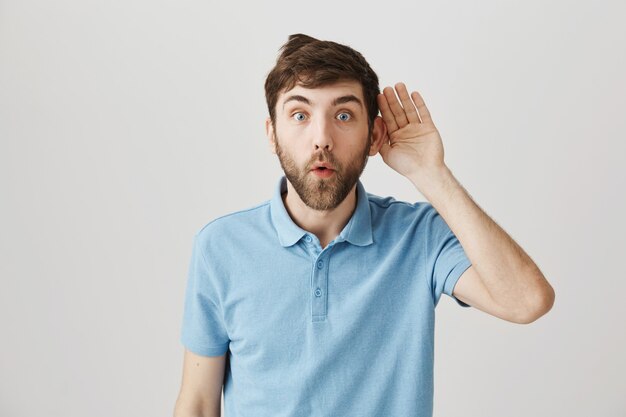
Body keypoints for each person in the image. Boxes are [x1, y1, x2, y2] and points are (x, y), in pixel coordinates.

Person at [173, 33, 555, 417]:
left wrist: (431, 174)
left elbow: (526, 302)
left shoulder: (418, 236)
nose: (321, 139)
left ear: (374, 135)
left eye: (343, 116)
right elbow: (200, 405)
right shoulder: (221, 246)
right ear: (272, 133)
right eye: (300, 115)